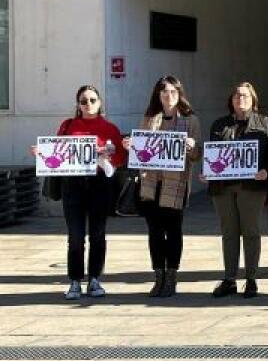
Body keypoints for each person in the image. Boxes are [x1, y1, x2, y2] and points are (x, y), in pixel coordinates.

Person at [32, 85, 126, 300]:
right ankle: (75, 280)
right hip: (72, 185)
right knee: (75, 236)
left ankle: (94, 279)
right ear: (78, 104)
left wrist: (108, 157)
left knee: (97, 234)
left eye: (93, 100)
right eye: (84, 101)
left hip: (99, 185)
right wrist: (41, 154)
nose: (88, 105)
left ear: (100, 103)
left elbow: (120, 158)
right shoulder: (68, 126)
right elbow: (56, 153)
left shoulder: (110, 128)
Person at [205, 82, 268, 299]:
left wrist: (267, 170)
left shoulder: (265, 123)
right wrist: (208, 173)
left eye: (246, 95)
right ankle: (229, 279)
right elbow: (214, 155)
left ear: (253, 99)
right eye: (237, 95)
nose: (241, 99)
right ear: (231, 100)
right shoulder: (220, 124)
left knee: (251, 232)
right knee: (229, 233)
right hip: (223, 188)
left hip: (252, 187)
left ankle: (251, 278)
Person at [128, 76, 201, 298]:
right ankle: (158, 276)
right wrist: (131, 146)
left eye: (172, 92)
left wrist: (191, 147)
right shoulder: (150, 118)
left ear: (179, 94)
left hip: (175, 184)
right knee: (155, 233)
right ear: (157, 95)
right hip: (151, 184)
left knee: (174, 231)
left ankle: (171, 277)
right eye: (164, 92)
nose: (168, 96)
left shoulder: (190, 121)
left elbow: (197, 154)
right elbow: (141, 152)